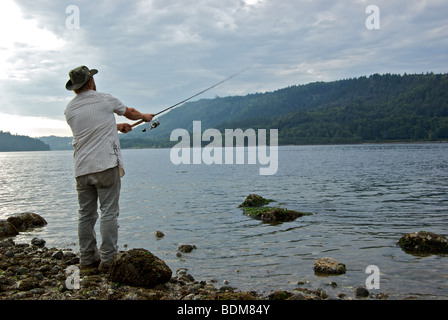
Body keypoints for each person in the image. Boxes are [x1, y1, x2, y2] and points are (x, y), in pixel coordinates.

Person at [64, 65, 154, 272]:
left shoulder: (69, 109)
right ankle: (108, 260)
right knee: (108, 213)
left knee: (85, 214)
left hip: (81, 168)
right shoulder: (104, 99)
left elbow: (90, 129)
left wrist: (116, 127)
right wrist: (145, 116)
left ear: (75, 87)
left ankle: (86, 260)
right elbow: (130, 113)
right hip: (105, 165)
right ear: (91, 81)